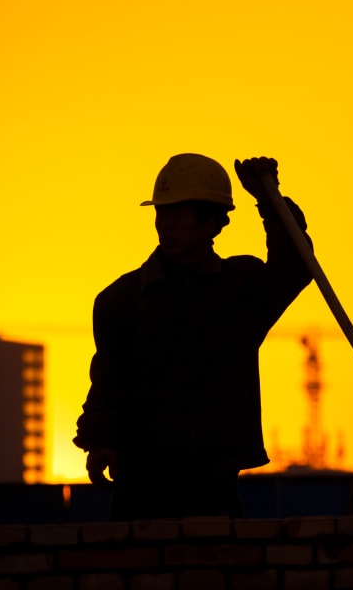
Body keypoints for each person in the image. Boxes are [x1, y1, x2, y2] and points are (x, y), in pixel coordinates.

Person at [73, 153, 312, 520]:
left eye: (177, 215)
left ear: (212, 223)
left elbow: (295, 265)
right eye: (160, 214)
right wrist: (100, 439)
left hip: (213, 482)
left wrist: (269, 198)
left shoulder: (240, 289)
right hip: (140, 483)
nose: (164, 225)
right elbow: (108, 379)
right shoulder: (120, 301)